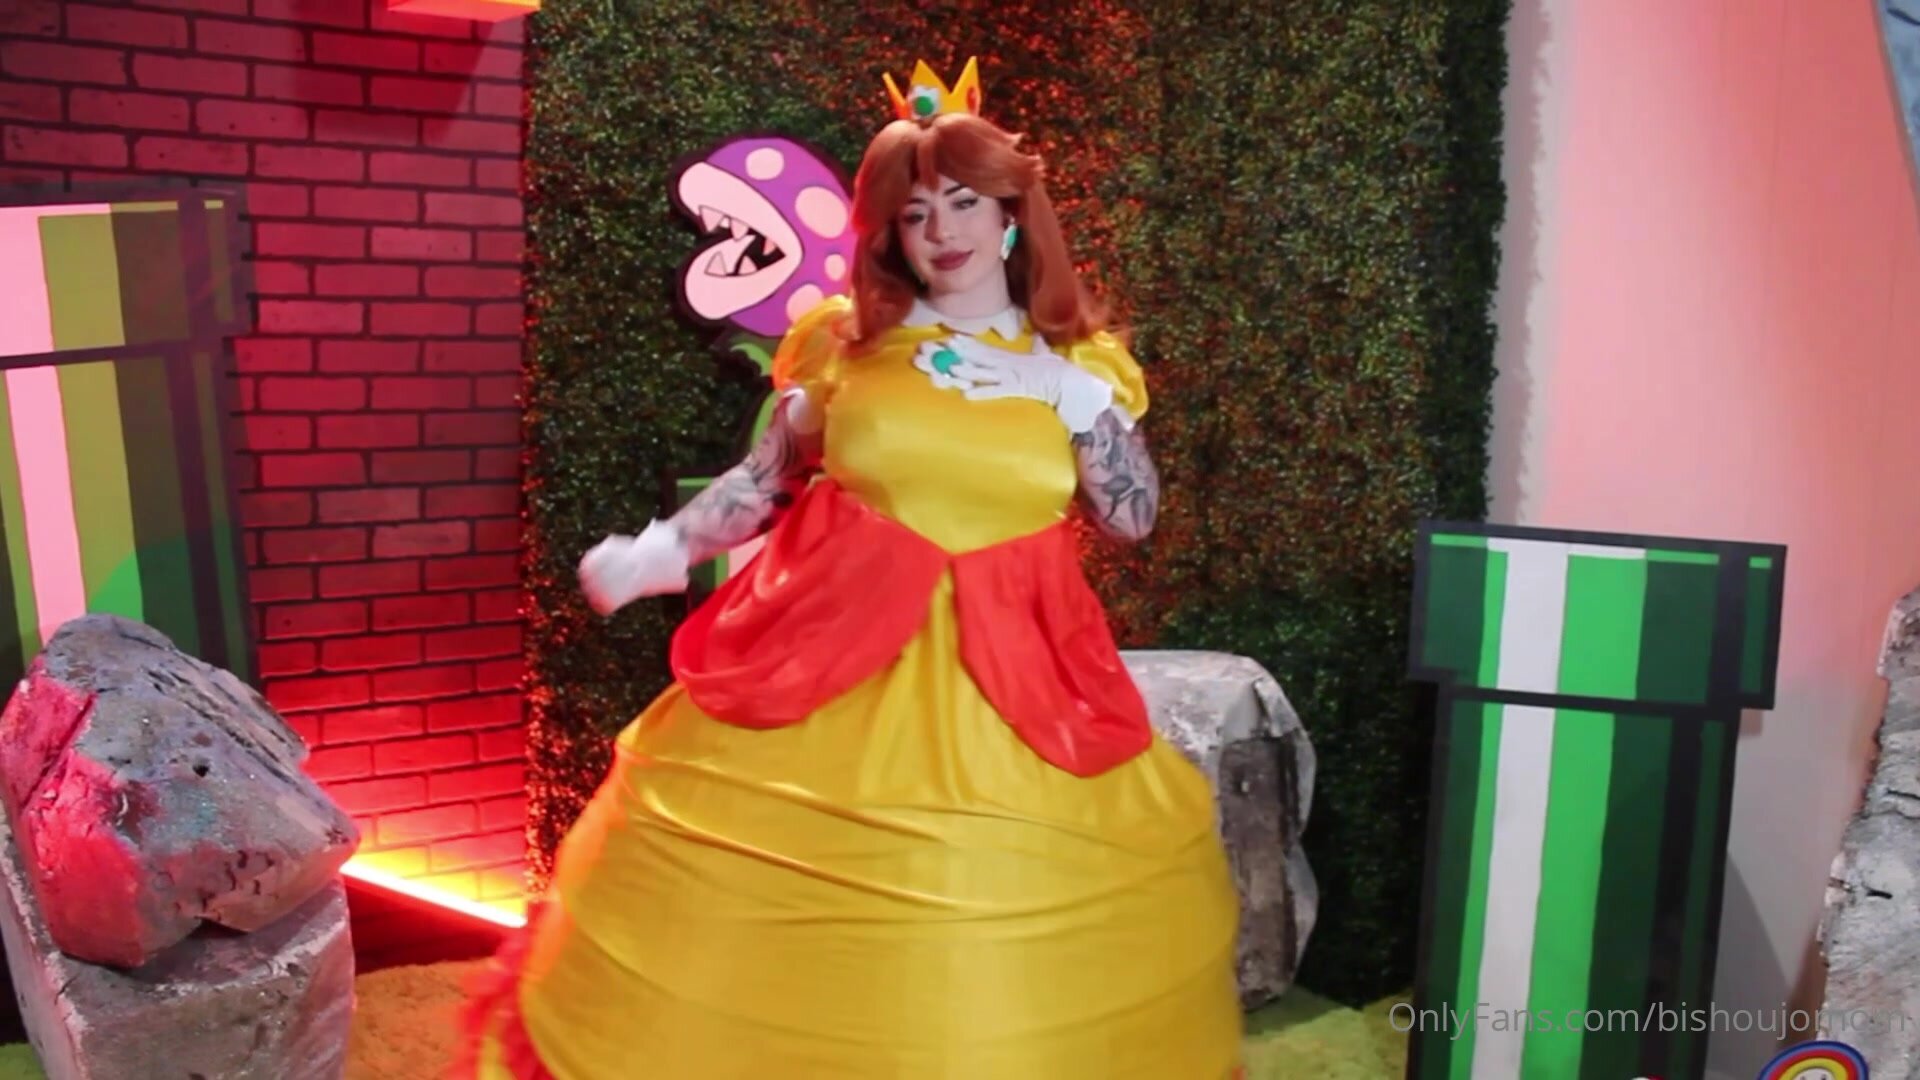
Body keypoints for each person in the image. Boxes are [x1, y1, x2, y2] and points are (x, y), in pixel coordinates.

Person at [455, 57, 1245, 1080]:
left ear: (1012, 216)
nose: (943, 230)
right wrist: (665, 549)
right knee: (766, 921)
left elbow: (1131, 519)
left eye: (965, 202)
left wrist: (1067, 394)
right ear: (891, 234)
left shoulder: (1081, 364)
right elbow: (763, 481)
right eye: (916, 213)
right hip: (827, 667)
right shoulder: (846, 347)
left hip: (1022, 683)